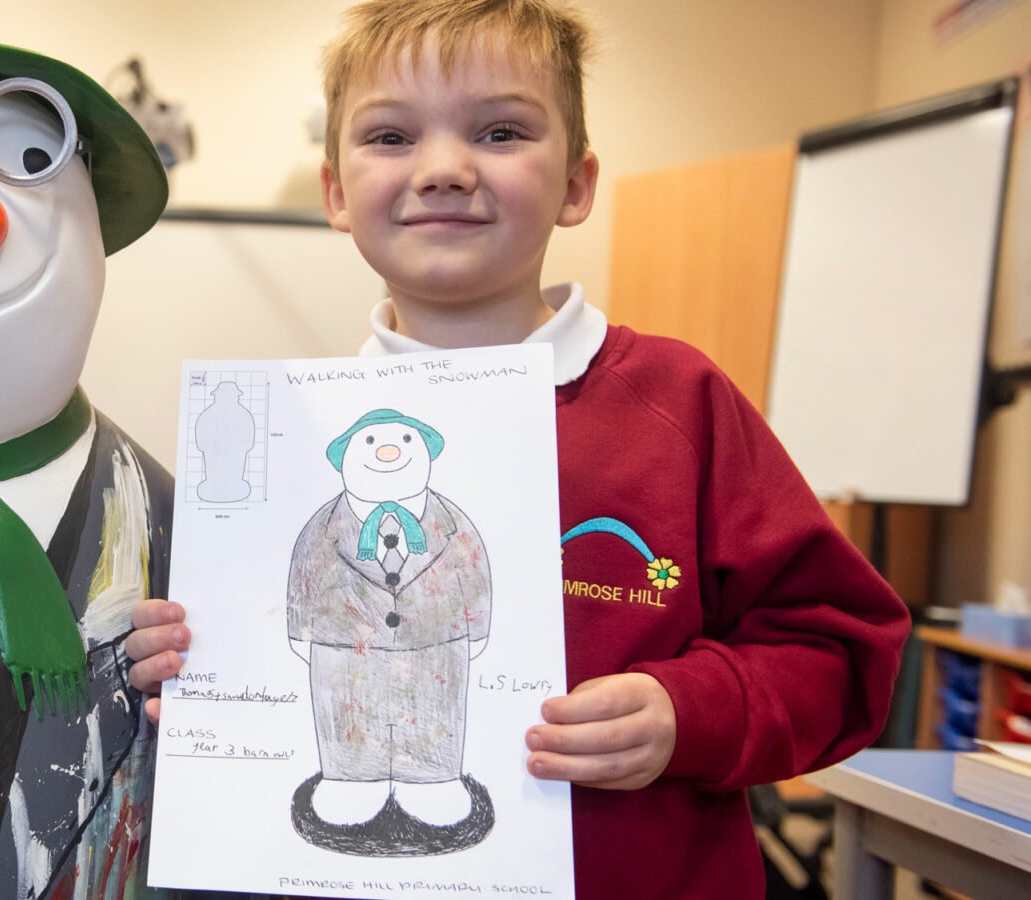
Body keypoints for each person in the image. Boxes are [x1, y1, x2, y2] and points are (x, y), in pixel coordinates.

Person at [124, 1, 911, 896]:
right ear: (336, 193)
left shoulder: (679, 404)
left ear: (576, 184)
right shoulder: (290, 443)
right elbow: (265, 647)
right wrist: (195, 667)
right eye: (390, 135)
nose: (446, 169)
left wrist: (685, 714)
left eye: (500, 131)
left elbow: (843, 651)